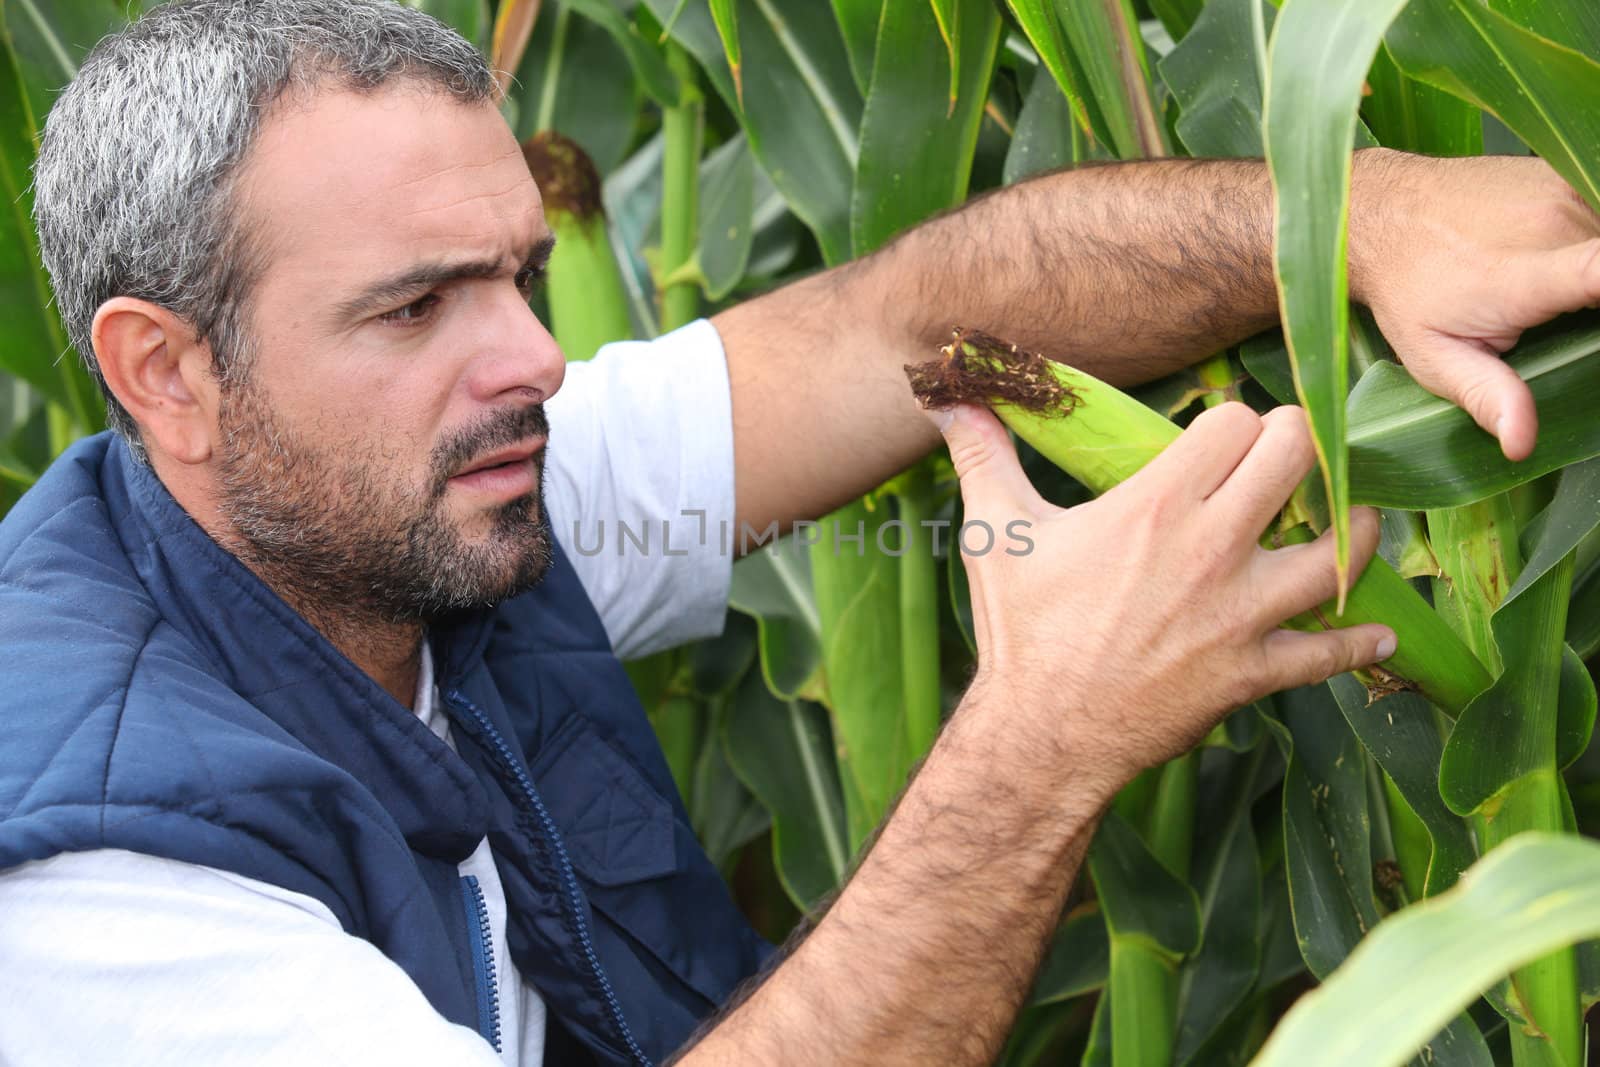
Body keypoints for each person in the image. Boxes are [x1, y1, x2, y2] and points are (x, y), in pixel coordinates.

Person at [0, 1, 1594, 1064]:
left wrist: (1345, 212)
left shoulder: (423, 489)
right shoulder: (101, 898)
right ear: (171, 371)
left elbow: (895, 335)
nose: (536, 360)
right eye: (416, 305)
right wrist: (1044, 738)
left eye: (516, 275)